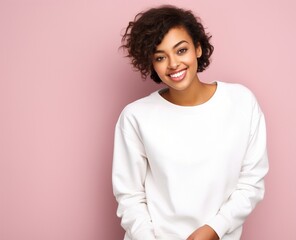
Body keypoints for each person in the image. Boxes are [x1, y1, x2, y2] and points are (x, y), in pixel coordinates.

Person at [112, 5, 269, 240]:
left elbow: (251, 183)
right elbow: (130, 196)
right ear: (152, 63)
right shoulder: (136, 117)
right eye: (160, 57)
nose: (173, 64)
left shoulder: (241, 102)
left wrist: (214, 229)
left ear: (197, 48)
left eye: (181, 50)